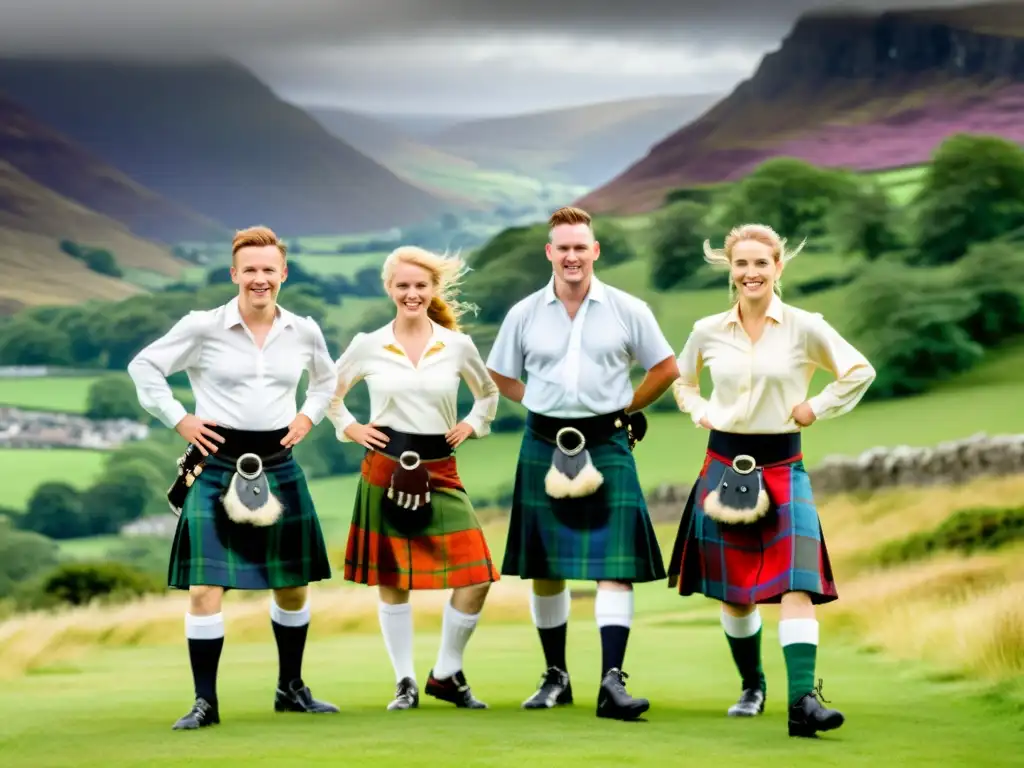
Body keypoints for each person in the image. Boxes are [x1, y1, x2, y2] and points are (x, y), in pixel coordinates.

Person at [666, 223, 876, 738]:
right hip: (724, 463)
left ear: (778, 268)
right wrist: (699, 410)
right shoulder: (708, 330)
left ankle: (803, 701)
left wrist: (816, 406)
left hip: (784, 467)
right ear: (730, 270)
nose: (751, 272)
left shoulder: (806, 327)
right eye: (742, 264)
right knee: (735, 593)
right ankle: (752, 684)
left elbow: (858, 370)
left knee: (797, 582)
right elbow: (683, 381)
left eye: (761, 263)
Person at [127, 225, 339, 730]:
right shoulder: (203, 326)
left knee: (292, 585)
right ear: (234, 274)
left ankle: (291, 688)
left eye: (269, 270)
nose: (259, 279)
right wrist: (180, 418)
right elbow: (145, 366)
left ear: (283, 274)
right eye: (250, 270)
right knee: (205, 586)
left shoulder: (304, 330)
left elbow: (326, 380)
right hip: (218, 464)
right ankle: (205, 702)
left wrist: (308, 417)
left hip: (279, 463)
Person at [486, 206, 679, 721]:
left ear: (595, 251)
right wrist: (540, 400)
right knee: (545, 568)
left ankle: (612, 682)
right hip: (543, 440)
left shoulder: (626, 308)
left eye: (580, 247)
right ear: (550, 253)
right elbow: (500, 374)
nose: (572, 256)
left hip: (608, 441)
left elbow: (666, 367)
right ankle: (556, 677)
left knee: (615, 567)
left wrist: (628, 406)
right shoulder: (524, 313)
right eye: (563, 247)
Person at [327, 245, 501, 711]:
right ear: (390, 289)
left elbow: (487, 395)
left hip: (440, 467)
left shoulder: (456, 345)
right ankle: (404, 681)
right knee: (393, 577)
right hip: (385, 467)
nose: (412, 293)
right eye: (403, 285)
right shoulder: (368, 343)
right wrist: (352, 428)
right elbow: (329, 393)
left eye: (420, 285)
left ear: (433, 290)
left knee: (477, 573)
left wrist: (472, 424)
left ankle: (446, 671)